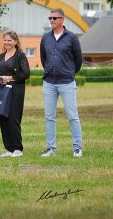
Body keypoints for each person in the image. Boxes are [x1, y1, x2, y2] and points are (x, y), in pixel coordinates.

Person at [40, 8, 84, 157]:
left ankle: (77, 148)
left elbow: (78, 60)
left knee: (72, 115)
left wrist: (70, 72)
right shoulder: (45, 38)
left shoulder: (72, 37)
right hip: (49, 83)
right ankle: (51, 148)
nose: (51, 20)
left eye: (54, 18)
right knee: (49, 116)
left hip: (67, 82)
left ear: (62, 20)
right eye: (50, 18)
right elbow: (43, 58)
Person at [0, 31, 30, 158]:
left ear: (15, 42)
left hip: (15, 92)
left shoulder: (20, 56)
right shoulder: (0, 56)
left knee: (13, 119)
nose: (7, 43)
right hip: (2, 92)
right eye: (5, 40)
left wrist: (8, 78)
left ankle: (17, 149)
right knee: (3, 118)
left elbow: (25, 74)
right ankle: (8, 149)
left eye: (9, 40)